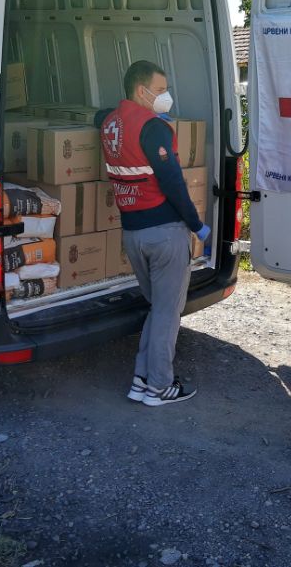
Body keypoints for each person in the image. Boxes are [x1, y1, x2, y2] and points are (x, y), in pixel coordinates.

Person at [98, 60, 210, 406]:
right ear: (141, 90)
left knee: (158, 308)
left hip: (133, 232)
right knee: (167, 312)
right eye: (160, 90)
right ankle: (161, 386)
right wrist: (196, 224)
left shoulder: (109, 123)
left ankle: (141, 380)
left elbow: (100, 115)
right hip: (164, 232)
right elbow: (173, 182)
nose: (166, 97)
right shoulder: (155, 128)